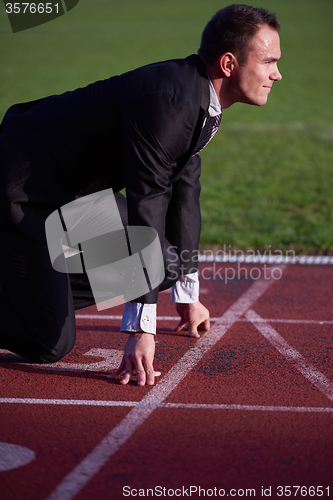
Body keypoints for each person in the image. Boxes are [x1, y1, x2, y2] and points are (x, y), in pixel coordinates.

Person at [0, 4, 282, 386]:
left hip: (65, 203)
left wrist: (186, 290)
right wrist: (140, 329)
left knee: (168, 262)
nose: (276, 75)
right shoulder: (173, 101)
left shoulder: (198, 99)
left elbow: (184, 191)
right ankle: (29, 290)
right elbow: (146, 204)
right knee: (48, 342)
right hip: (22, 196)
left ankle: (31, 285)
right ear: (230, 64)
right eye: (269, 62)